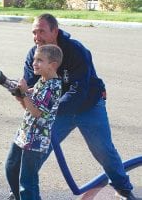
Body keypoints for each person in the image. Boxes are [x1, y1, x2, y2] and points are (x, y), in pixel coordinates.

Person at [8, 13, 135, 200]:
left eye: (41, 31)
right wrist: (21, 93)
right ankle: (19, 193)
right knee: (33, 153)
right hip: (56, 109)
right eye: (34, 32)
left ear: (55, 31)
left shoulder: (76, 50)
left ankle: (124, 190)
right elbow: (30, 89)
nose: (37, 37)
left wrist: (47, 110)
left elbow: (78, 91)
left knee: (104, 151)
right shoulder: (34, 55)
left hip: (88, 105)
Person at [5, 44, 63, 200]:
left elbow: (37, 112)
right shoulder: (42, 81)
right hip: (24, 134)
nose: (34, 63)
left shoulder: (53, 87)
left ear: (53, 65)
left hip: (36, 141)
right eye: (34, 59)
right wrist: (20, 95)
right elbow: (28, 106)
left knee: (27, 181)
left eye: (39, 60)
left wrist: (24, 93)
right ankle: (16, 197)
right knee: (11, 166)